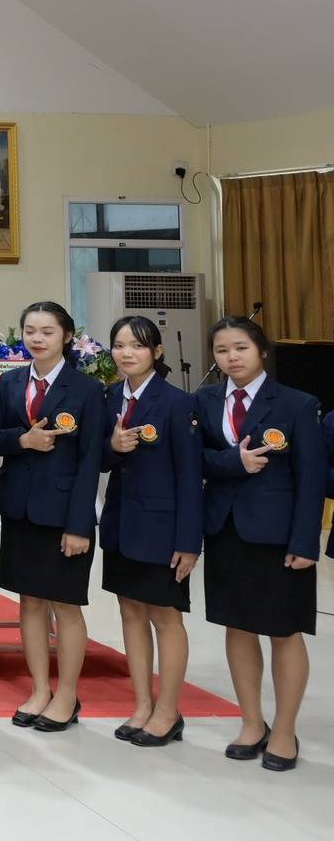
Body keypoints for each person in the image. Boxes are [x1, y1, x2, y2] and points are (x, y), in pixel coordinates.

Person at [194, 315, 323, 772]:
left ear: (262, 351)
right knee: (237, 626)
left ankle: (284, 729)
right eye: (222, 350)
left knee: (284, 630)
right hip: (225, 530)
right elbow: (196, 459)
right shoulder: (204, 401)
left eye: (241, 348)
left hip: (278, 535)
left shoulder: (296, 404)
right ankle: (252, 722)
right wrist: (234, 462)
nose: (231, 357)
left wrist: (305, 541)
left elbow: (311, 478)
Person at [0, 300, 104, 732]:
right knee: (30, 602)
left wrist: (79, 525)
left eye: (47, 331)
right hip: (20, 509)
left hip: (63, 515)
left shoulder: (87, 390)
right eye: (30, 331)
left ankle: (67, 694)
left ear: (67, 336)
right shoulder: (9, 382)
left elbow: (91, 461)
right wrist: (23, 441)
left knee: (66, 605)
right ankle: (40, 689)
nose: (37, 339)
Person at [98, 315, 201, 747]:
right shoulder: (108, 398)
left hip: (162, 529)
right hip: (121, 524)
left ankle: (168, 710)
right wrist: (112, 447)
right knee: (130, 611)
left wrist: (189, 543)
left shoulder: (177, 402)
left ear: (157, 352)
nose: (127, 353)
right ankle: (142, 703)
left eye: (138, 346)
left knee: (165, 616)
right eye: (120, 345)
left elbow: (190, 476)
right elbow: (98, 459)